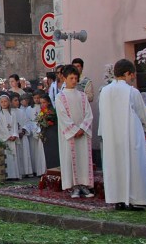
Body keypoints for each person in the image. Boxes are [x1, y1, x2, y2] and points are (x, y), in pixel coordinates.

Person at [99, 59, 146, 211]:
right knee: (135, 165)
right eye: (132, 75)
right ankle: (138, 199)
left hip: (111, 136)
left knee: (116, 165)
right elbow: (142, 114)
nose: (133, 78)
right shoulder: (132, 91)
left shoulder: (104, 91)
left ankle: (118, 198)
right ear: (126, 73)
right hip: (130, 135)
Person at [56, 65, 94, 198]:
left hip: (82, 134)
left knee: (83, 158)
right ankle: (74, 187)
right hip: (70, 135)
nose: (74, 81)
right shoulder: (60, 97)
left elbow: (89, 114)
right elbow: (62, 116)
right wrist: (74, 130)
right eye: (71, 78)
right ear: (64, 78)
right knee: (71, 160)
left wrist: (82, 128)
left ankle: (84, 185)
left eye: (76, 78)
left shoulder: (82, 96)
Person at [0, 93, 21, 180]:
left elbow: (15, 126)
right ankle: (7, 175)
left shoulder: (13, 113)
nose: (4, 103)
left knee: (13, 155)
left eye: (5, 101)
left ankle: (14, 175)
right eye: (2, 102)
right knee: (6, 156)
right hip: (5, 139)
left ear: (9, 102)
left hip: (12, 138)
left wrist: (14, 135)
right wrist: (7, 136)